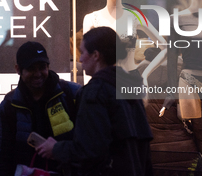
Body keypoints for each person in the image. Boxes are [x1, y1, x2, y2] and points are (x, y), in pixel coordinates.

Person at [37, 26, 153, 176]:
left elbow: (90, 149)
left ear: (96, 55)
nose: (79, 58)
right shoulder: (130, 89)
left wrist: (56, 149)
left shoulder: (96, 92)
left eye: (83, 52)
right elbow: (144, 152)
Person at [0, 41, 81, 176]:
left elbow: (89, 145)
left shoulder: (72, 94)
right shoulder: (9, 105)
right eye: (31, 68)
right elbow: (3, 156)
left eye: (42, 67)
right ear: (18, 69)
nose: (38, 73)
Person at [83, 0, 167, 84]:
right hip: (103, 81)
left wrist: (145, 74)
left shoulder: (135, 17)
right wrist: (88, 86)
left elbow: (165, 47)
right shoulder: (91, 19)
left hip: (130, 80)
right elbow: (86, 57)